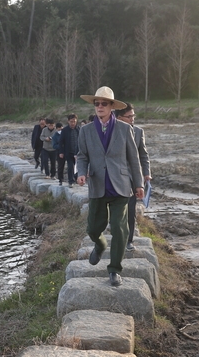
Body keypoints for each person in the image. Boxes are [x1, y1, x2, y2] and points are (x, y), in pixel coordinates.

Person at [76, 86, 144, 287]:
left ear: (112, 106)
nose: (99, 107)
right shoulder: (86, 130)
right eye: (96, 103)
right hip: (97, 184)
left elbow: (134, 158)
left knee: (119, 228)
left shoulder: (125, 129)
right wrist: (81, 172)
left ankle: (114, 269)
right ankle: (100, 244)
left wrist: (138, 183)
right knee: (93, 229)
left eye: (103, 103)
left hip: (120, 186)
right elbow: (82, 155)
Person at [115, 103, 152, 251]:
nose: (132, 119)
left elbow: (143, 155)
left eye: (133, 116)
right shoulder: (112, 132)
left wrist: (146, 173)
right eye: (129, 117)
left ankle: (128, 240)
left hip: (132, 178)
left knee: (131, 209)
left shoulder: (138, 132)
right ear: (119, 118)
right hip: (115, 177)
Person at [58, 114, 80, 188]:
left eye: (74, 121)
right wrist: (61, 152)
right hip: (69, 152)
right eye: (71, 121)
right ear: (68, 121)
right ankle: (71, 181)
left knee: (78, 167)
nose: (73, 123)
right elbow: (61, 142)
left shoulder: (79, 129)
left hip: (78, 152)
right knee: (70, 166)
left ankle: (77, 179)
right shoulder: (64, 130)